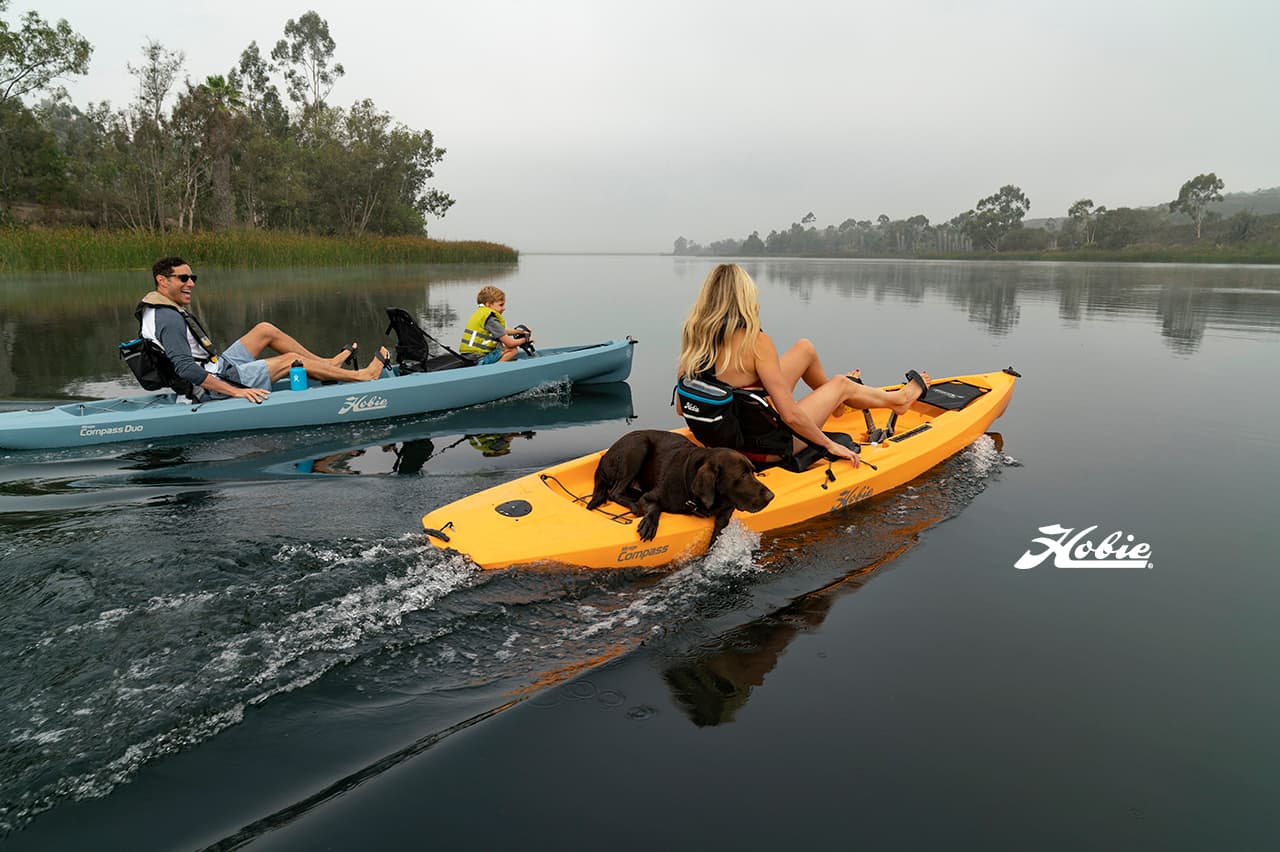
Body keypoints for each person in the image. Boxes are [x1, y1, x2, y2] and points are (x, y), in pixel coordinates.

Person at [676, 263, 930, 469]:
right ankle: (897, 400)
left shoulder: (695, 337)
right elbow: (790, 415)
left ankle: (838, 404)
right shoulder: (756, 341)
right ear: (746, 297)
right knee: (840, 383)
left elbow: (681, 407)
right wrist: (827, 445)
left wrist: (739, 391)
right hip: (765, 449)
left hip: (729, 433)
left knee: (804, 348)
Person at [139, 256, 389, 403]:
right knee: (292, 361)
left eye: (193, 278)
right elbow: (184, 368)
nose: (191, 283)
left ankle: (327, 366)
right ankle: (363, 376)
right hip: (210, 385)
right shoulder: (168, 318)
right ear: (163, 280)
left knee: (264, 329)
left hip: (217, 366)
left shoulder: (157, 307)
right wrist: (237, 393)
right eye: (184, 278)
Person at [458, 285, 534, 365]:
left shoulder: (481, 314)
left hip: (468, 357)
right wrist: (526, 339)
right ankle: (495, 369)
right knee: (512, 350)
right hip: (479, 359)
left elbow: (500, 331)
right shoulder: (490, 319)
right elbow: (510, 343)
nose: (504, 308)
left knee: (504, 348)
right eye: (501, 305)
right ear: (488, 304)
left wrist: (520, 332)